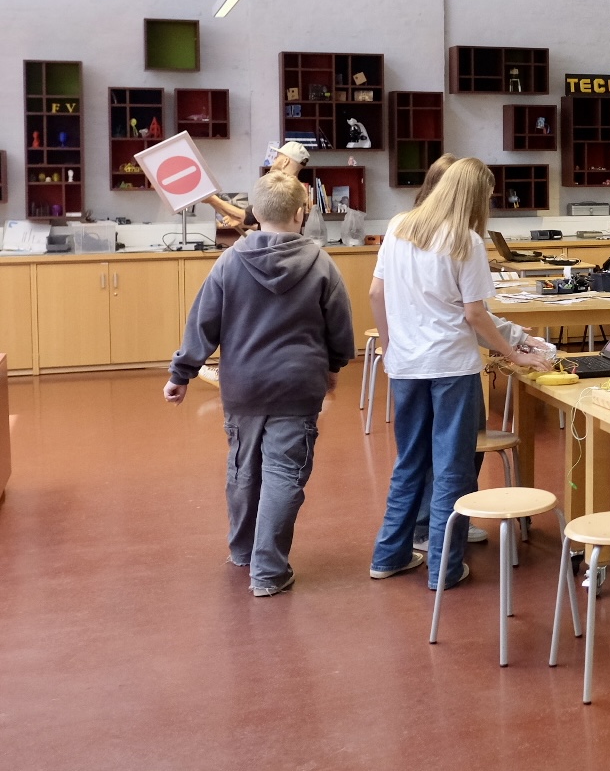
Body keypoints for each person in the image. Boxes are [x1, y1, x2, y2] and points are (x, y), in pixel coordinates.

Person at [164, 172, 355, 597]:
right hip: (297, 386)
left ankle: (243, 551)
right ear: (301, 212)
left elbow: (203, 322)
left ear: (254, 212)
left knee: (242, 469)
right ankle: (268, 571)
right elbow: (339, 326)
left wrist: (182, 374)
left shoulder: (229, 262)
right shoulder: (321, 262)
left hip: (243, 387)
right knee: (285, 474)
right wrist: (335, 366)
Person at [368, 158, 550, 589]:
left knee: (409, 462)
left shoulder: (398, 226)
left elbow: (377, 292)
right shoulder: (465, 241)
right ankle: (444, 569)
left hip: (407, 367)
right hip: (451, 367)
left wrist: (392, 344)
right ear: (474, 197)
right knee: (452, 467)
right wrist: (513, 353)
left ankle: (388, 555)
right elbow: (475, 315)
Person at [202, 141, 312, 234]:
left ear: (286, 161)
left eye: (278, 157)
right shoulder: (301, 191)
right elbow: (269, 225)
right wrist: (244, 223)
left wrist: (213, 199)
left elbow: (248, 216)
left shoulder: (279, 188)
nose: (274, 159)